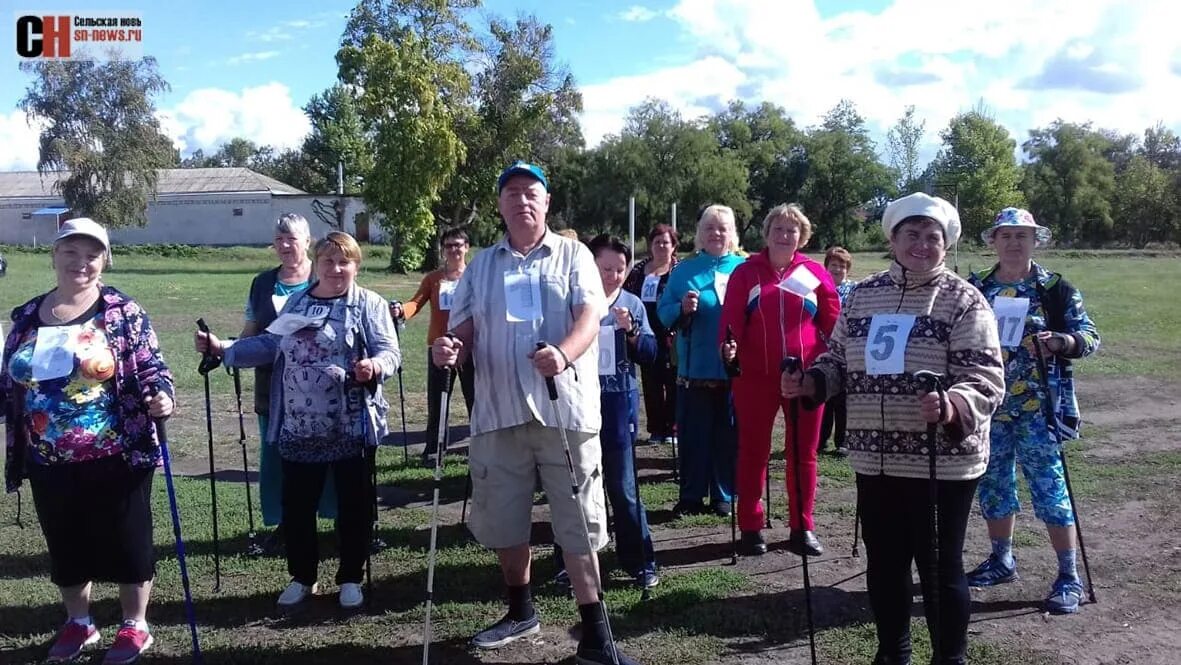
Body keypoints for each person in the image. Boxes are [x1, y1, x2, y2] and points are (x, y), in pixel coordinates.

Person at [782, 193, 1004, 665]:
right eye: (911, 235)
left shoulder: (963, 301)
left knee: (941, 569)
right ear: (893, 238)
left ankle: (949, 658)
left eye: (932, 237)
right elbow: (837, 359)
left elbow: (985, 379)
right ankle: (893, 653)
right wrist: (812, 380)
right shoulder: (864, 294)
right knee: (884, 565)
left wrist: (951, 405)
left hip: (940, 463)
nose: (921, 245)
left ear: (946, 245)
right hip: (875, 457)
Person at [432, 161, 639, 665]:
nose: (522, 200)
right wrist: (450, 348)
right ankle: (520, 610)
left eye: (531, 193)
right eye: (512, 193)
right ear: (500, 205)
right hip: (498, 411)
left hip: (563, 408)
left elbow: (590, 316)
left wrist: (565, 353)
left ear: (547, 202)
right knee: (505, 521)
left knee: (579, 523)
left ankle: (595, 634)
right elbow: (464, 327)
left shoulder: (574, 256)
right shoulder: (481, 265)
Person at [196, 231, 400, 610]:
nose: (336, 269)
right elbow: (271, 346)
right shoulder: (298, 301)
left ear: (356, 265)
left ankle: (351, 578)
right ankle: (303, 577)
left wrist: (374, 366)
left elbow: (391, 353)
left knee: (353, 508)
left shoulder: (368, 304)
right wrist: (224, 348)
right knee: (297, 509)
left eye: (345, 261)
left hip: (350, 427)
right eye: (329, 261)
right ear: (317, 264)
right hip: (297, 427)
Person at [2, 217, 175, 664]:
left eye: (92, 253)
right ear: (54, 255)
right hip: (46, 457)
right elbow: (10, 382)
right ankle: (79, 623)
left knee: (127, 539)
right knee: (65, 542)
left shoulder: (121, 312)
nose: (81, 262)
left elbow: (153, 366)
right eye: (71, 252)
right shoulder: (25, 317)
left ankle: (135, 625)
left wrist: (163, 397)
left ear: (105, 259)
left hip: (115, 451)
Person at [965, 207, 1101, 615]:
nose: (1013, 242)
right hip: (989, 408)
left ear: (1035, 240)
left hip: (1040, 410)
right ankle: (1001, 560)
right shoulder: (976, 287)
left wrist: (1061, 341)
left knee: (1050, 489)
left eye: (1022, 235)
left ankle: (1068, 575)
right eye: (1006, 235)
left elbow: (1089, 336)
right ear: (993, 241)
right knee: (994, 486)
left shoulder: (1055, 289)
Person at [719, 204, 839, 556]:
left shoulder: (816, 273)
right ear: (767, 233)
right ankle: (751, 526)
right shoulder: (746, 273)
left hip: (805, 377)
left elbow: (834, 322)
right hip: (755, 377)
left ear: (802, 237)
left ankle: (802, 526)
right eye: (779, 229)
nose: (785, 236)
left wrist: (837, 361)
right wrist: (729, 348)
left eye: (792, 230)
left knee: (803, 454)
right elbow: (731, 322)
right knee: (753, 452)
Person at [554, 234, 661, 589]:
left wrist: (631, 332)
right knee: (575, 485)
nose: (612, 275)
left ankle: (640, 561)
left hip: (618, 405)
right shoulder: (573, 300)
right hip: (576, 401)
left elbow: (649, 353)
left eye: (620, 269)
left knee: (623, 487)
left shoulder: (631, 303)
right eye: (605, 268)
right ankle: (571, 561)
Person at [240, 213, 336, 551]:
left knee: (327, 453)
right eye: (279, 239)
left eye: (291, 239)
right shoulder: (261, 283)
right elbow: (250, 332)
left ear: (307, 242)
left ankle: (335, 518)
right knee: (275, 457)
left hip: (320, 388)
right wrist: (227, 350)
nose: (283, 245)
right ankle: (283, 523)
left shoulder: (324, 276)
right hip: (272, 389)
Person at [657, 205, 744, 517]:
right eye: (709, 228)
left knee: (728, 435)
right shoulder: (684, 271)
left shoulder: (744, 268)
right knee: (693, 437)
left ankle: (724, 494)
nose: (716, 233)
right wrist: (682, 308)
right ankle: (691, 495)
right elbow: (663, 313)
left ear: (732, 233)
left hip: (734, 372)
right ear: (700, 234)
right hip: (694, 371)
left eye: (722, 228)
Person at [390, 227, 476, 465]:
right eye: (448, 245)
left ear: (467, 247)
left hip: (469, 349)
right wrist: (401, 312)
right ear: (443, 249)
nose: (454, 250)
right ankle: (435, 449)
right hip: (439, 349)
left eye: (458, 245)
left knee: (475, 399)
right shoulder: (433, 279)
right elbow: (416, 303)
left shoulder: (475, 276)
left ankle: (480, 445)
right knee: (438, 402)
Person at [623, 224, 680, 447]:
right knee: (650, 382)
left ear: (674, 246)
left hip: (672, 334)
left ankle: (673, 428)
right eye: (657, 242)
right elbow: (627, 294)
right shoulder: (639, 270)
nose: (661, 246)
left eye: (666, 242)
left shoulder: (678, 270)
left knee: (673, 382)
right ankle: (656, 428)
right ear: (650, 245)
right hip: (645, 334)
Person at [818, 246, 856, 455]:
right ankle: (820, 440)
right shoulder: (819, 289)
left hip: (847, 353)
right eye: (834, 265)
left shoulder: (855, 290)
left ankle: (842, 442)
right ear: (826, 267)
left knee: (843, 401)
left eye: (842, 266)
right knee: (824, 397)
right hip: (822, 350)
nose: (838, 269)